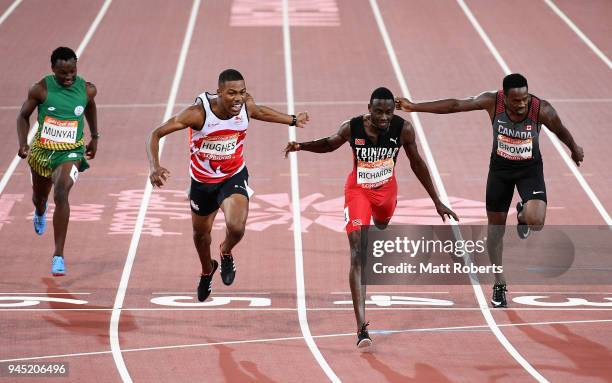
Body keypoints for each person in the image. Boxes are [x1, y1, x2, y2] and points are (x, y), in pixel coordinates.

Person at [284, 87, 457, 349]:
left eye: (389, 111)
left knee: (383, 222)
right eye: (378, 111)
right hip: (358, 191)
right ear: (369, 108)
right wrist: (300, 146)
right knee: (357, 250)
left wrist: (437, 201)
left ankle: (380, 218)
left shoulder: (403, 129)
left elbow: (417, 163)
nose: (384, 117)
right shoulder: (352, 127)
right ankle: (361, 327)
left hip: (386, 191)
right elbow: (330, 144)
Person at [395, 73, 584, 308]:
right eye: (516, 100)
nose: (522, 104)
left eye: (524, 98)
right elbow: (456, 105)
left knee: (536, 220)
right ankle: (499, 282)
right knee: (495, 234)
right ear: (505, 97)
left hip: (529, 171)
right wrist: (414, 107)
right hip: (500, 173)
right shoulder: (492, 101)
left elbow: (560, 130)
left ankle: (523, 215)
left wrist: (574, 149)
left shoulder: (541, 110)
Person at [147, 69, 309, 302]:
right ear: (219, 92)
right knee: (201, 236)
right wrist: (154, 167)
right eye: (231, 93)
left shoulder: (245, 106)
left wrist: (293, 120)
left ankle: (225, 252)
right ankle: (206, 271)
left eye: (242, 92)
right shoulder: (197, 114)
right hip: (202, 182)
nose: (238, 98)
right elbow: (155, 134)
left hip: (232, 176)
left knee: (236, 227)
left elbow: (260, 111)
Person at [16, 47, 99, 276]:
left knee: (61, 193)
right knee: (40, 198)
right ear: (53, 69)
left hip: (70, 152)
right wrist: (23, 143)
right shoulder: (40, 89)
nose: (68, 77)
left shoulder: (87, 89)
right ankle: (40, 211)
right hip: (43, 153)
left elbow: (90, 106)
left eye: (72, 71)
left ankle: (58, 255)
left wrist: (95, 137)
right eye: (63, 73)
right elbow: (23, 116)